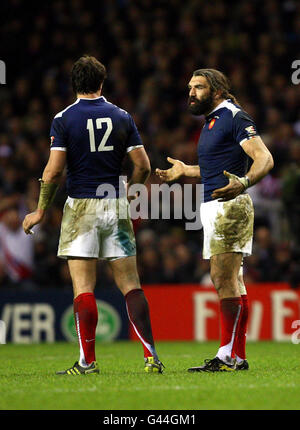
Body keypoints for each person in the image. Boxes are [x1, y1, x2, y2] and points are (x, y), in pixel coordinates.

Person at [23, 55, 163, 375]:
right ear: (102, 83)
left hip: (81, 206)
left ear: (74, 84)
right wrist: (131, 193)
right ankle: (151, 357)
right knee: (130, 284)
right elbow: (143, 165)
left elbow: (54, 170)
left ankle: (88, 362)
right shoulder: (122, 116)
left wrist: (42, 209)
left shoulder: (63, 118)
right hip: (114, 202)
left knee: (84, 287)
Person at [156, 69, 274, 372]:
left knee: (222, 280)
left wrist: (245, 182)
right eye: (190, 87)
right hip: (216, 206)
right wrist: (186, 170)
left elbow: (265, 159)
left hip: (230, 207)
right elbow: (215, 169)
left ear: (218, 90)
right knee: (233, 282)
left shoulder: (234, 116)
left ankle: (228, 355)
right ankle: (235, 355)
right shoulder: (212, 122)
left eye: (198, 87)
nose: (191, 93)